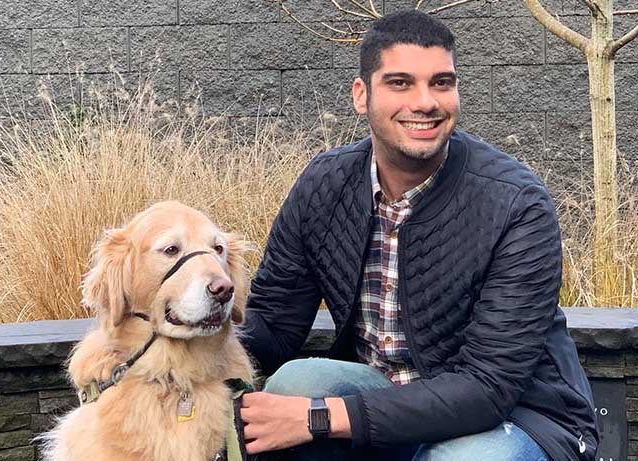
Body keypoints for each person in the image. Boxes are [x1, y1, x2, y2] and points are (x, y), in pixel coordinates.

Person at [239, 9, 598, 461]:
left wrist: (318, 417)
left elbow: (488, 387)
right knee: (293, 385)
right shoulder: (324, 184)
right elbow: (272, 325)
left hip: (517, 418)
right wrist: (176, 359)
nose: (425, 102)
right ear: (361, 95)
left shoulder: (515, 203)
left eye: (442, 82)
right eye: (400, 83)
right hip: (382, 403)